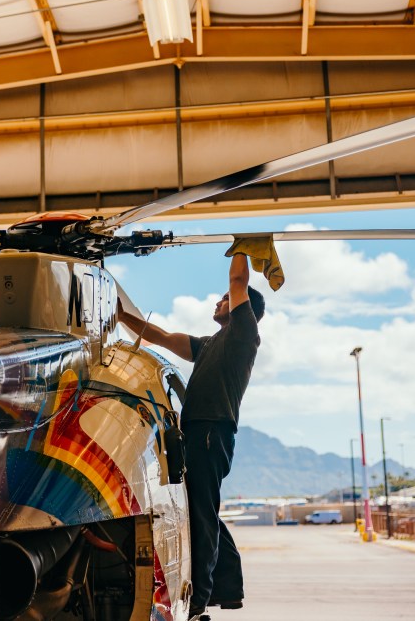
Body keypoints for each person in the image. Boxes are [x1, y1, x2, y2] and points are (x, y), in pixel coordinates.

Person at [119, 253, 264, 621]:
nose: (218, 301)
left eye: (225, 299)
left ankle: (198, 598)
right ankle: (226, 587)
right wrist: (120, 317)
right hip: (197, 434)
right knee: (202, 511)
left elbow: (237, 282)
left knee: (201, 514)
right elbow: (162, 337)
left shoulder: (243, 334)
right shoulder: (208, 344)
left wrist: (242, 246)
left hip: (211, 433)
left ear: (241, 306)